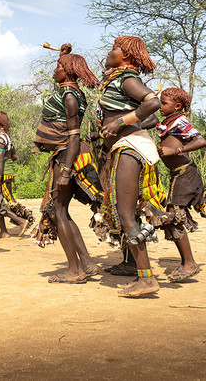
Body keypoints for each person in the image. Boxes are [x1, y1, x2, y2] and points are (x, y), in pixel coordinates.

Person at [98, 35, 170, 297]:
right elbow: (146, 115)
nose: (110, 51)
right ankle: (143, 276)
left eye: (114, 48)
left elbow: (154, 103)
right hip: (126, 146)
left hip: (132, 146)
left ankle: (147, 280)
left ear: (126, 54)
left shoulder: (128, 79)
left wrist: (119, 123)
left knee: (127, 215)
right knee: (125, 214)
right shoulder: (117, 79)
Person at [31, 48, 103, 284]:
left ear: (68, 72)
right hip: (65, 154)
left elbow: (74, 135)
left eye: (59, 66)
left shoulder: (70, 96)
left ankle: (75, 270)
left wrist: (66, 171)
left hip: (67, 155)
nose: (55, 69)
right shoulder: (69, 92)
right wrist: (63, 54)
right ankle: (87, 262)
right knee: (62, 211)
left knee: (58, 211)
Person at [156, 87, 204, 282]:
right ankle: (187, 262)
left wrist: (176, 151)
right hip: (179, 174)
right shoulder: (168, 122)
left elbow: (201, 140)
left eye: (164, 103)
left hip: (186, 173)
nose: (160, 106)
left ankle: (190, 264)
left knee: (174, 215)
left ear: (177, 106)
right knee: (172, 215)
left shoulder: (180, 121)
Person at [0, 111, 34, 238]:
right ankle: (4, 231)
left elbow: (0, 160)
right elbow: (14, 157)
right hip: (3, 171)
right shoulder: (6, 137)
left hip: (1, 173)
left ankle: (21, 221)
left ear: (0, 123)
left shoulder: (1, 139)